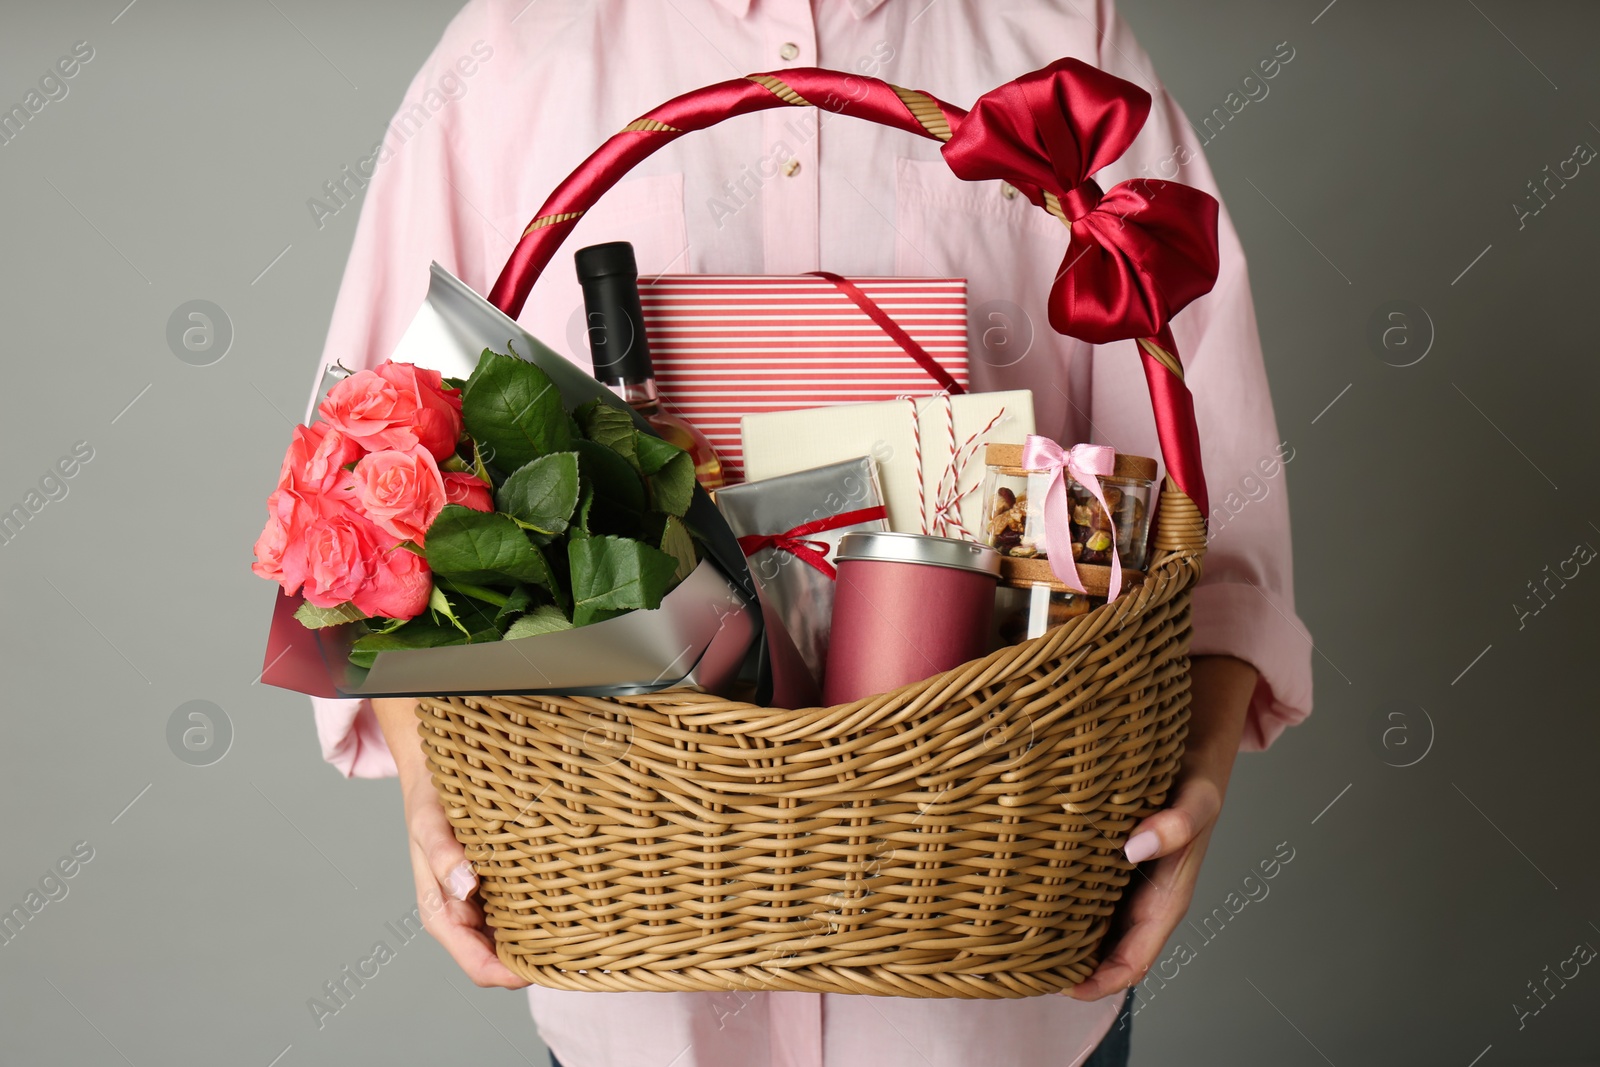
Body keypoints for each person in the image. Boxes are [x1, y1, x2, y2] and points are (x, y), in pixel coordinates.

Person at [303, 2, 1313, 1064]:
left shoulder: (1063, 47)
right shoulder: (510, 49)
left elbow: (1217, 504)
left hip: (1002, 973)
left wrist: (1195, 776)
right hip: (638, 975)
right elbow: (372, 516)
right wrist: (430, 793)